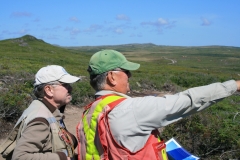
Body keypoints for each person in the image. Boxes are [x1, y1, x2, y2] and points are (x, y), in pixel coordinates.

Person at [76, 49, 240, 160]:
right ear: (112, 77)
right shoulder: (131, 109)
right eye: (126, 72)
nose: (130, 76)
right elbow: (188, 100)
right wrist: (234, 86)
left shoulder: (89, 112)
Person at [1, 65, 80, 160]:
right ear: (49, 90)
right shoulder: (40, 119)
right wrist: (62, 158)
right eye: (65, 84)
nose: (70, 88)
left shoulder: (46, 110)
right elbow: (20, 157)